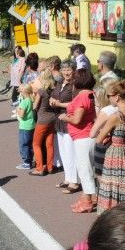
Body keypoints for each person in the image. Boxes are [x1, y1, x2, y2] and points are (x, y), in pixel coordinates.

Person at [96, 80, 125, 212]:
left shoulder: (116, 116)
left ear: (117, 96)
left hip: (114, 155)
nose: (108, 98)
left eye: (109, 96)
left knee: (111, 187)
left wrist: (106, 134)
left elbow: (99, 139)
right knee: (124, 187)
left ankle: (110, 217)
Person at [58, 68, 97, 213]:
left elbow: (77, 119)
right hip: (88, 135)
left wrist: (64, 117)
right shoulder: (91, 94)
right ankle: (90, 196)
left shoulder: (82, 97)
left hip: (83, 137)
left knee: (84, 169)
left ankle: (87, 201)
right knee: (89, 168)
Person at [50, 61, 79, 192]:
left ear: (74, 71)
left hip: (69, 121)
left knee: (70, 152)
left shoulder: (75, 86)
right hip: (59, 121)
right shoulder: (60, 83)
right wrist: (51, 100)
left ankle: (74, 181)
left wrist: (59, 104)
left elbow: (76, 104)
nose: (66, 72)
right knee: (63, 152)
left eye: (69, 70)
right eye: (64, 70)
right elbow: (54, 95)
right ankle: (68, 178)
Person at [15, 84, 36, 171]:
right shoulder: (30, 100)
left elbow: (22, 115)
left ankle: (26, 162)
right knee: (30, 144)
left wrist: (17, 109)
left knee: (24, 144)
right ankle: (30, 160)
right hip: (31, 125)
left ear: (23, 92)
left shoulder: (24, 102)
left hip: (24, 126)